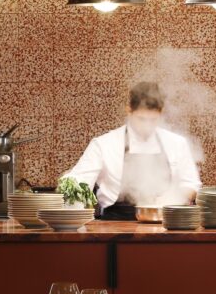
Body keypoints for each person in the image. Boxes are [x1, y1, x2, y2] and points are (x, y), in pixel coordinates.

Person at [63, 82, 201, 219]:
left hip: (166, 225)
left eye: (153, 120)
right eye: (141, 119)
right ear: (129, 110)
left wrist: (173, 198)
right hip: (115, 228)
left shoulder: (176, 143)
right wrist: (70, 183)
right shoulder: (104, 144)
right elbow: (79, 182)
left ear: (161, 113)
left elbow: (191, 184)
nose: (147, 126)